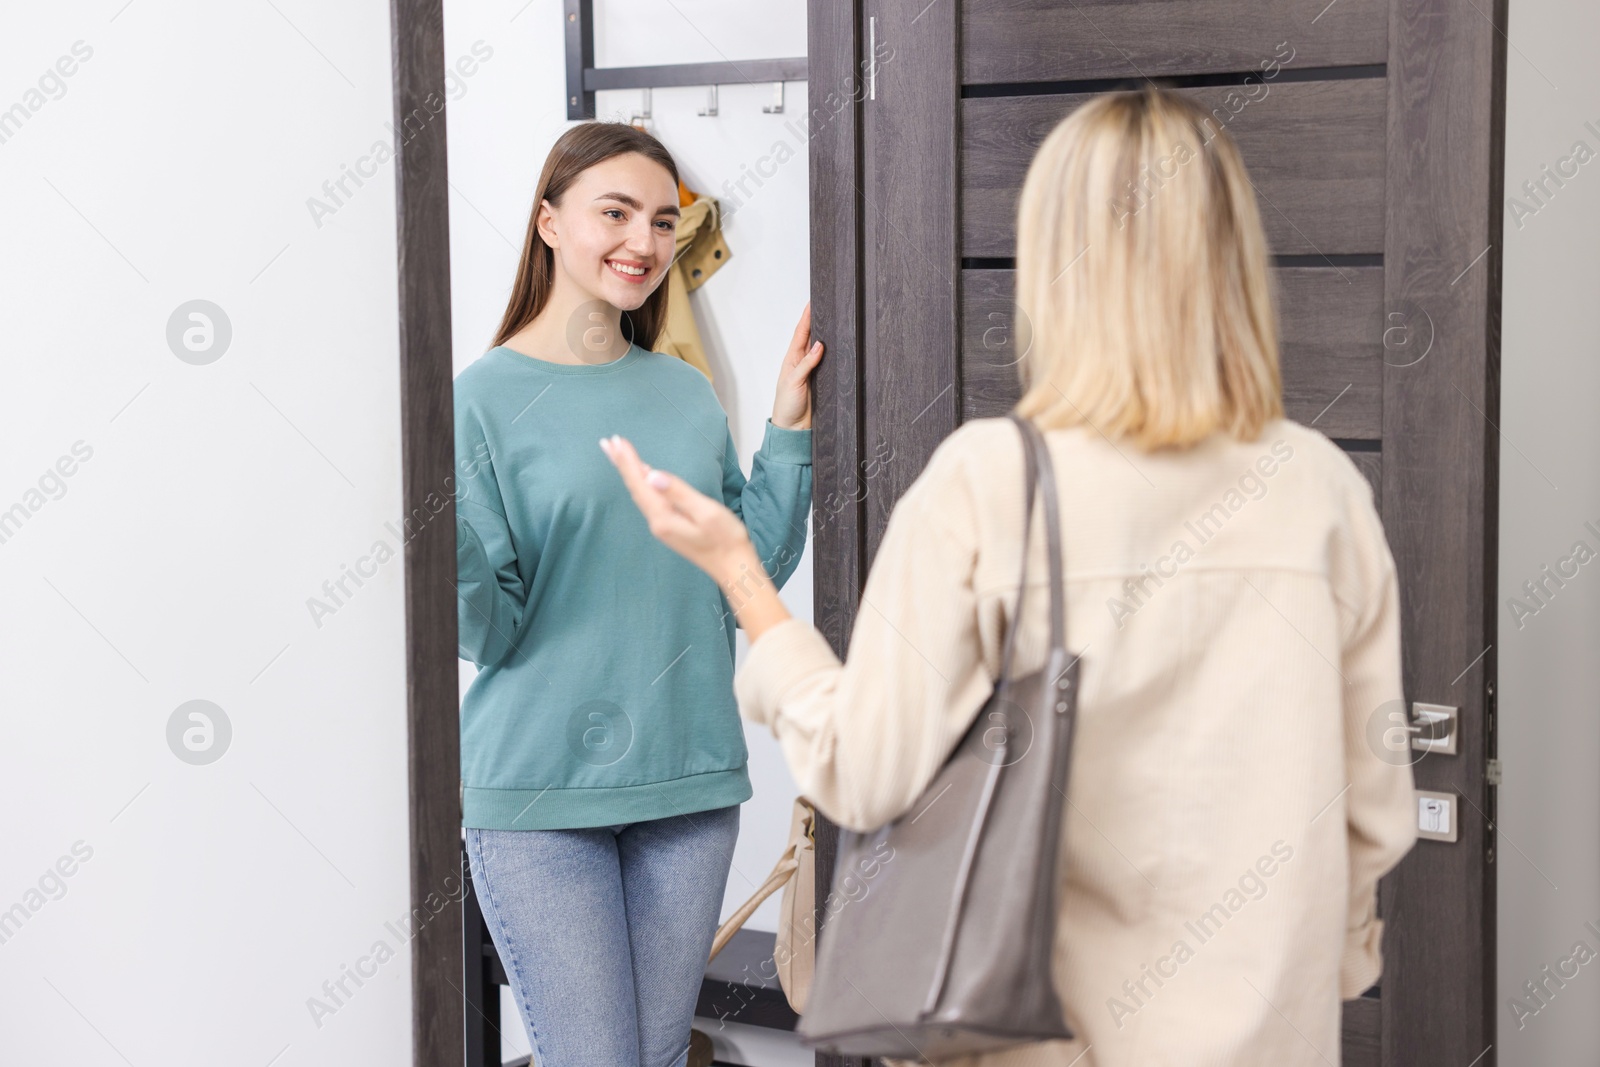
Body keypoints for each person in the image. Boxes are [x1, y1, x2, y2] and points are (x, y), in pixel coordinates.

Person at [601, 86, 1419, 1066]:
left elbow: (866, 769)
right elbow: (1372, 806)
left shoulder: (993, 485)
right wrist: (1306, 970)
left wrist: (741, 574)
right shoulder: (1320, 489)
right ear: (1229, 258)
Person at [453, 121, 823, 1067]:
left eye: (663, 222)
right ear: (548, 223)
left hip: (688, 784)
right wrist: (432, 533)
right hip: (540, 794)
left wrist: (785, 430)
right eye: (614, 213)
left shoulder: (685, 392)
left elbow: (749, 570)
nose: (644, 244)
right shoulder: (478, 399)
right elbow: (487, 630)